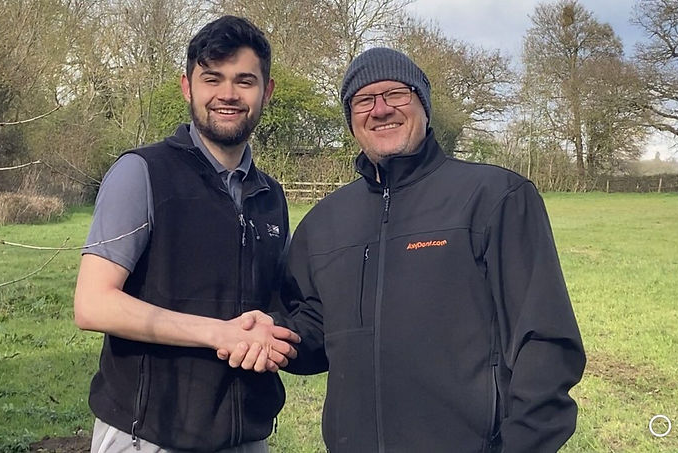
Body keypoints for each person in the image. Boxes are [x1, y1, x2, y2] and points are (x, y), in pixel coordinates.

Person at [223, 47, 587, 452]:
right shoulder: (325, 222)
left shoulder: (495, 198)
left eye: (396, 94)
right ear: (351, 119)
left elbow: (545, 343)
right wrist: (273, 334)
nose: (380, 110)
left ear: (424, 106)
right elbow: (315, 331)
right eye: (364, 100)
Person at [73, 15, 302, 453]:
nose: (228, 94)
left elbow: (275, 303)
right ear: (187, 87)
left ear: (267, 91)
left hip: (244, 437)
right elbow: (92, 303)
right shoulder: (142, 173)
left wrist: (272, 327)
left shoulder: (270, 195)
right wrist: (219, 333)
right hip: (149, 435)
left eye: (245, 81)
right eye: (212, 78)